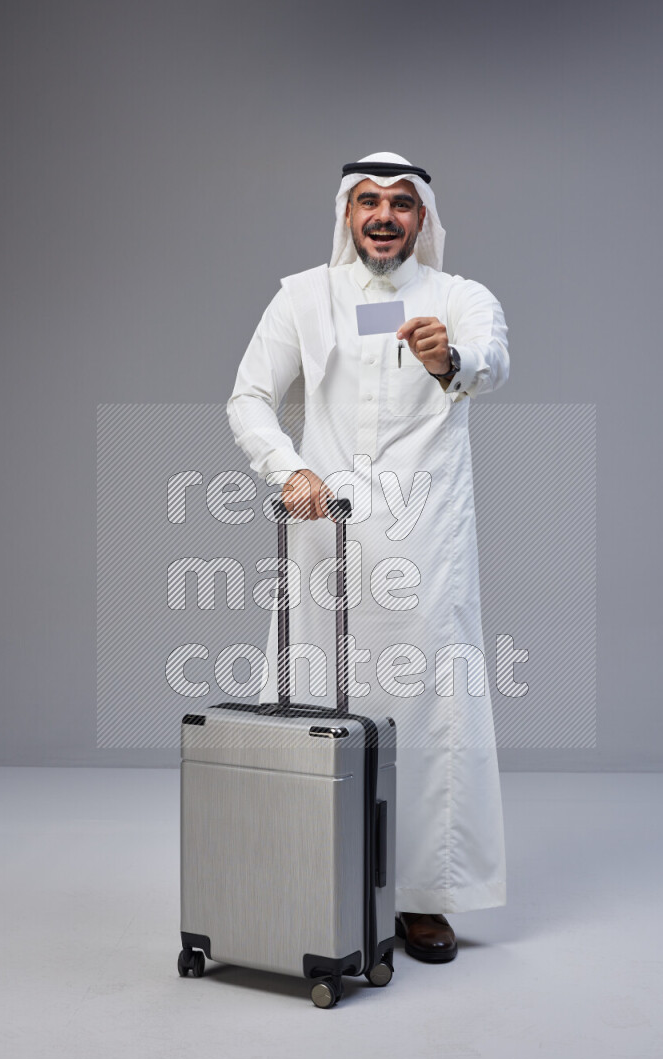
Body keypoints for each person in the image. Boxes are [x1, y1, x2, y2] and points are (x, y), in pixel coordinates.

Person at [227, 152, 509, 963]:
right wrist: (288, 469)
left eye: (401, 203)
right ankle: (311, 876)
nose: (384, 216)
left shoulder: (460, 298)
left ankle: (421, 897)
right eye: (369, 202)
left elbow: (494, 363)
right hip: (329, 533)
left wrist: (449, 360)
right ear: (347, 213)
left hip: (427, 539)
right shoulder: (303, 296)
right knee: (316, 697)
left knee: (428, 709)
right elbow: (249, 396)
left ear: (422, 218)